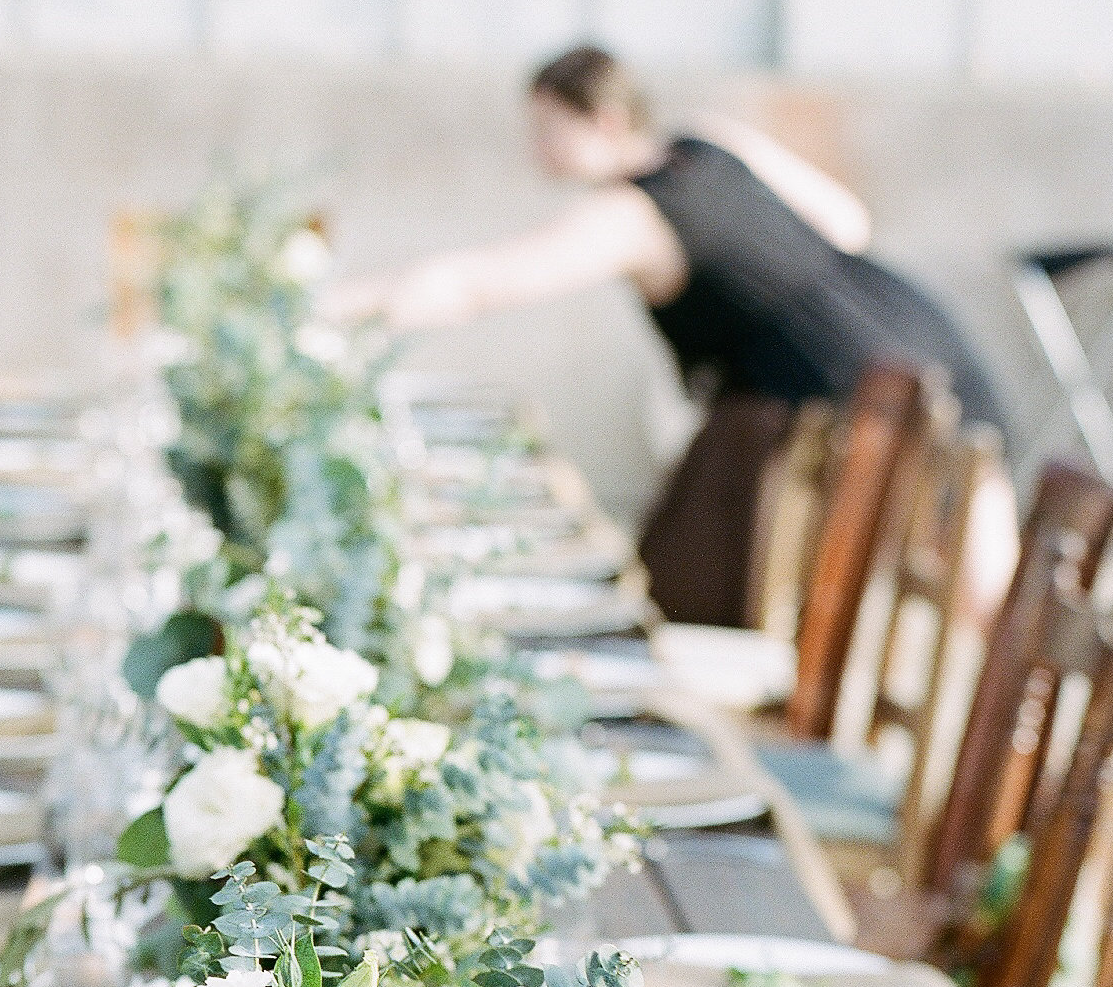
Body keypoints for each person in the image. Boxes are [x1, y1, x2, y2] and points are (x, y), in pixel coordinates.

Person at [328, 46, 1004, 624]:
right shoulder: (707, 140)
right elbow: (846, 221)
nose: (536, 151)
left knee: (959, 592)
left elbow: (475, 285)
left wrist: (332, 306)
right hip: (911, 327)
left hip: (836, 385)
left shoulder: (629, 217)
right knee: (979, 588)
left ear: (606, 121)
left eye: (547, 130)